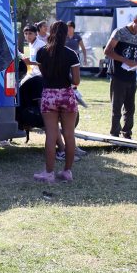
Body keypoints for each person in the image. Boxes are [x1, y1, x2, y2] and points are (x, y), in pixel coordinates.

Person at [33, 20, 81, 183]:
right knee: (69, 134)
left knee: (51, 134)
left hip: (49, 96)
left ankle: (49, 173)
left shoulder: (41, 52)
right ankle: (67, 171)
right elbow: (76, 81)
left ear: (51, 33)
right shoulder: (71, 54)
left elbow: (44, 73)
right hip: (67, 95)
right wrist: (67, 78)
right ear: (66, 34)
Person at [104, 12, 137, 139]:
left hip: (131, 76)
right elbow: (107, 51)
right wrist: (125, 60)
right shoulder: (119, 32)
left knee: (130, 108)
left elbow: (134, 53)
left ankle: (127, 133)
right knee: (117, 107)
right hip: (118, 75)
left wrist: (136, 62)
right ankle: (114, 134)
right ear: (134, 21)